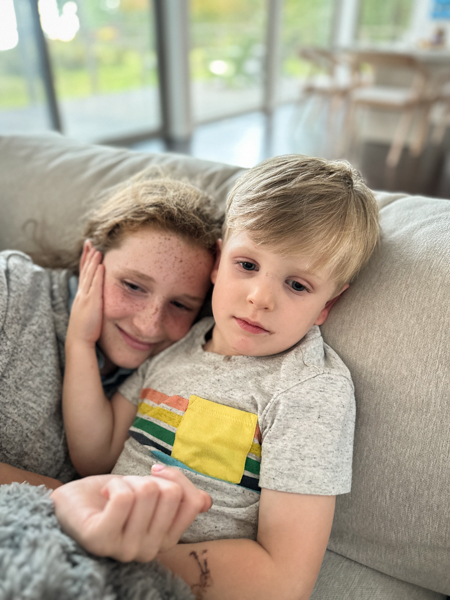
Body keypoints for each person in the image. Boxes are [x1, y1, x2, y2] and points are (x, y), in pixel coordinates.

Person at [55, 154, 380, 600]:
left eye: (297, 285)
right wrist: (79, 342)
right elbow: (95, 455)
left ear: (327, 304)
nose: (260, 297)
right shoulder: (178, 347)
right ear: (218, 260)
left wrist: (121, 555)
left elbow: (285, 580)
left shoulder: (311, 390)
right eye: (246, 265)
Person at [0, 174, 222, 490]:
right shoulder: (11, 287)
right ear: (90, 259)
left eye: (180, 305)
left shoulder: (167, 374)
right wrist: (53, 492)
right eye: (132, 286)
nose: (148, 325)